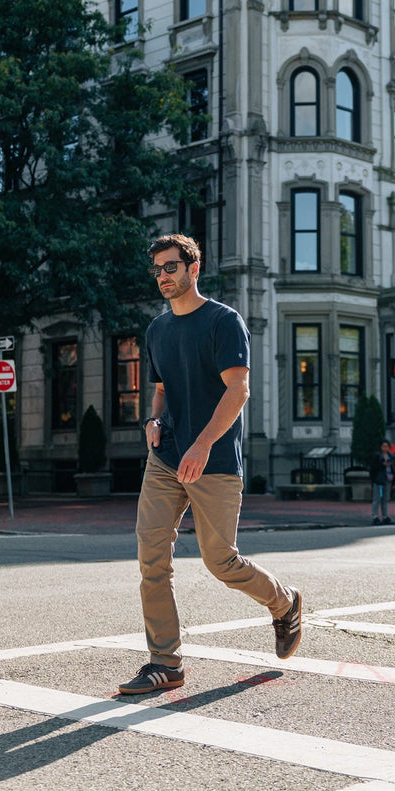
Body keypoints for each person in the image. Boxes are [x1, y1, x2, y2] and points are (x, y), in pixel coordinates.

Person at [119, 234, 302, 696]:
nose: (163, 276)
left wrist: (200, 446)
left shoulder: (224, 321)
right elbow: (160, 388)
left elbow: (237, 391)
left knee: (221, 561)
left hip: (213, 460)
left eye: (171, 267)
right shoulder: (157, 330)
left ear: (193, 268)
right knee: (151, 559)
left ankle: (284, 604)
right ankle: (166, 662)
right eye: (157, 269)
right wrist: (154, 418)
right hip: (165, 460)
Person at [369, 440, 395, 525]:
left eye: (387, 446)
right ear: (381, 447)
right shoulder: (377, 456)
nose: (385, 448)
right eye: (383, 446)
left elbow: (393, 467)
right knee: (377, 498)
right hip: (379, 480)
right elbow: (373, 467)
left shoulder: (391, 456)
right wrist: (382, 465)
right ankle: (375, 516)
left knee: (385, 498)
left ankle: (385, 516)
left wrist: (394, 479)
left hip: (388, 479)